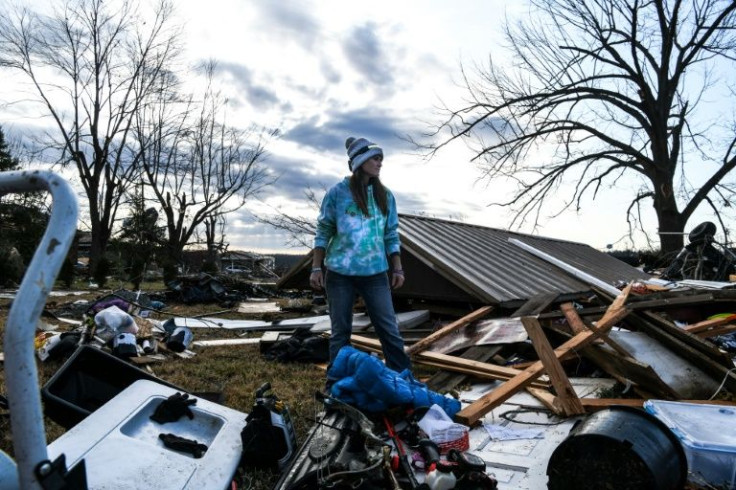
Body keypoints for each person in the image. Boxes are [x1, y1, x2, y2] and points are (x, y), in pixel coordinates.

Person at [309, 136, 411, 377]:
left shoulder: (385, 196)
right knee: (340, 332)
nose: (380, 163)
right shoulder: (337, 194)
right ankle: (336, 384)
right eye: (375, 158)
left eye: (380, 159)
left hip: (375, 274)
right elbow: (323, 231)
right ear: (360, 161)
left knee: (389, 330)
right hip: (339, 274)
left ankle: (405, 382)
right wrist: (315, 267)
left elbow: (390, 234)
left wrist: (397, 268)